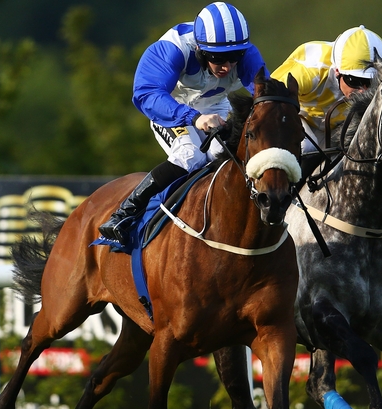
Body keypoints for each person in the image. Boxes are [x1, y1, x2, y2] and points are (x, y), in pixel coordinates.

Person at [99, 2, 270, 243]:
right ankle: (126, 212)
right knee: (191, 156)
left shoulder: (247, 53)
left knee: (228, 155)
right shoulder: (173, 49)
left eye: (235, 57)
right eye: (217, 57)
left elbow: (265, 96)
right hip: (171, 107)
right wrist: (194, 117)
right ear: (200, 49)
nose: (227, 65)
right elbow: (146, 95)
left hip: (215, 106)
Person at [271, 25, 382, 156]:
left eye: (369, 82)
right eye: (354, 81)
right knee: (306, 147)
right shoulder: (310, 70)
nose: (362, 91)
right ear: (337, 70)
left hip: (337, 127)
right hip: (302, 118)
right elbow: (270, 99)